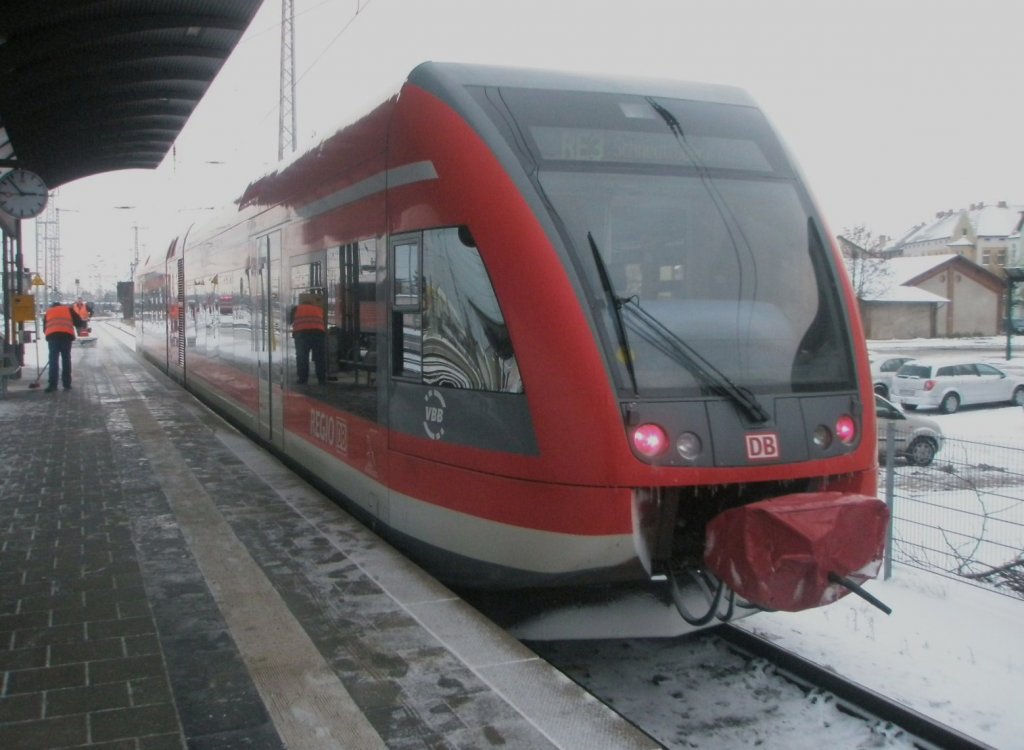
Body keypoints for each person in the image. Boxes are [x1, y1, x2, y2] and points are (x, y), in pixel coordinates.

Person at [43, 300, 84, 392]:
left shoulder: (49, 312)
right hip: (66, 337)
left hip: (53, 337)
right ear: (61, 305)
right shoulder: (68, 310)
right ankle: (67, 384)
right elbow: (79, 322)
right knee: (66, 359)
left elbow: (45, 328)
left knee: (53, 360)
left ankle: (52, 385)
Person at [289, 298, 327, 385]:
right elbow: (323, 322)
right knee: (319, 357)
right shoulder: (319, 309)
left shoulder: (296, 309)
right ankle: (321, 379)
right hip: (318, 334)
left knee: (302, 357)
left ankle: (303, 379)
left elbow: (290, 321)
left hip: (301, 334)